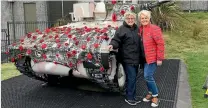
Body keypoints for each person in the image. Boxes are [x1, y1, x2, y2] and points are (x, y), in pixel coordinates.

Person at [108, 12, 142, 106]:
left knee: (133, 78)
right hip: (127, 58)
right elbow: (116, 40)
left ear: (134, 19)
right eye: (128, 19)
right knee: (132, 78)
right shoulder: (121, 29)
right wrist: (112, 45)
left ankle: (132, 95)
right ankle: (130, 98)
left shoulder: (137, 29)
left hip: (136, 58)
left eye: (132, 18)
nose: (130, 20)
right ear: (125, 19)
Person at [138, 10, 165, 107]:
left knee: (148, 76)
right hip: (144, 58)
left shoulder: (154, 29)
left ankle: (155, 96)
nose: (144, 19)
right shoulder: (141, 29)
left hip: (152, 57)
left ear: (149, 18)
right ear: (140, 20)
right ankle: (150, 92)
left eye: (146, 18)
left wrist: (160, 58)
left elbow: (160, 44)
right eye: (142, 18)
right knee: (146, 77)